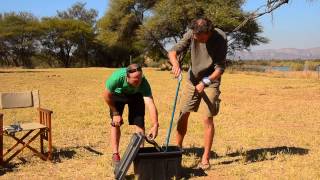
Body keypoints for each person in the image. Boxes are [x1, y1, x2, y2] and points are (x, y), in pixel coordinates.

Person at [168, 18, 227, 170]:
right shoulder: (192, 33)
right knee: (183, 113)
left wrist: (205, 83)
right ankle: (177, 152)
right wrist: (175, 64)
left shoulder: (220, 38)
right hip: (192, 78)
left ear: (207, 33)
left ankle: (205, 159)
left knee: (207, 118)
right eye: (193, 34)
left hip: (211, 81)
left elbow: (220, 68)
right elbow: (173, 51)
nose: (194, 37)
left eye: (197, 36)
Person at [103, 63, 159, 169]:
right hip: (118, 95)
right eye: (135, 80)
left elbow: (150, 103)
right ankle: (115, 154)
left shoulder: (143, 83)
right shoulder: (116, 78)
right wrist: (115, 113)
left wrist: (155, 124)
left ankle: (140, 153)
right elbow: (106, 95)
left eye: (140, 78)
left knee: (140, 123)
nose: (138, 82)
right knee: (115, 124)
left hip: (136, 96)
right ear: (127, 77)